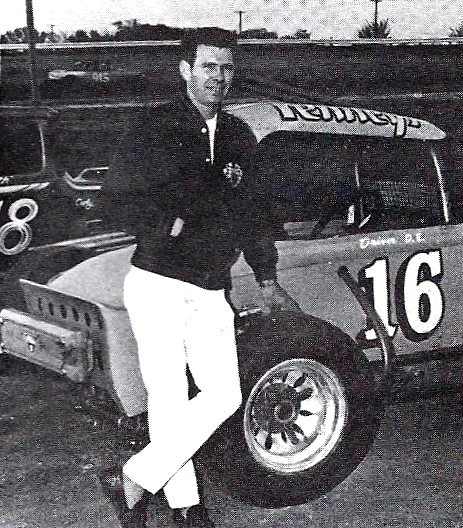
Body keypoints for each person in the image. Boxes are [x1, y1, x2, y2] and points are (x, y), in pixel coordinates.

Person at [98, 27, 299, 528]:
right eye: (209, 66)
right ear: (186, 69)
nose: (219, 77)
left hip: (211, 286)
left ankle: (134, 478)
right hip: (158, 282)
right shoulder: (155, 127)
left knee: (224, 395)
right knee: (168, 398)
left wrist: (267, 275)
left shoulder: (238, 136)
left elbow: (252, 212)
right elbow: (115, 198)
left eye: (227, 68)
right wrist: (169, 226)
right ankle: (186, 508)